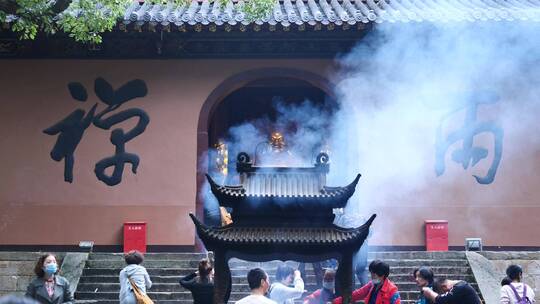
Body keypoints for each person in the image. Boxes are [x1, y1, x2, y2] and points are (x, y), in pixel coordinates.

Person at [333, 260, 401, 304]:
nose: (371, 276)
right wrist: (335, 302)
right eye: (371, 273)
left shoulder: (392, 290)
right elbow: (356, 294)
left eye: (374, 274)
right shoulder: (371, 285)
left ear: (382, 274)